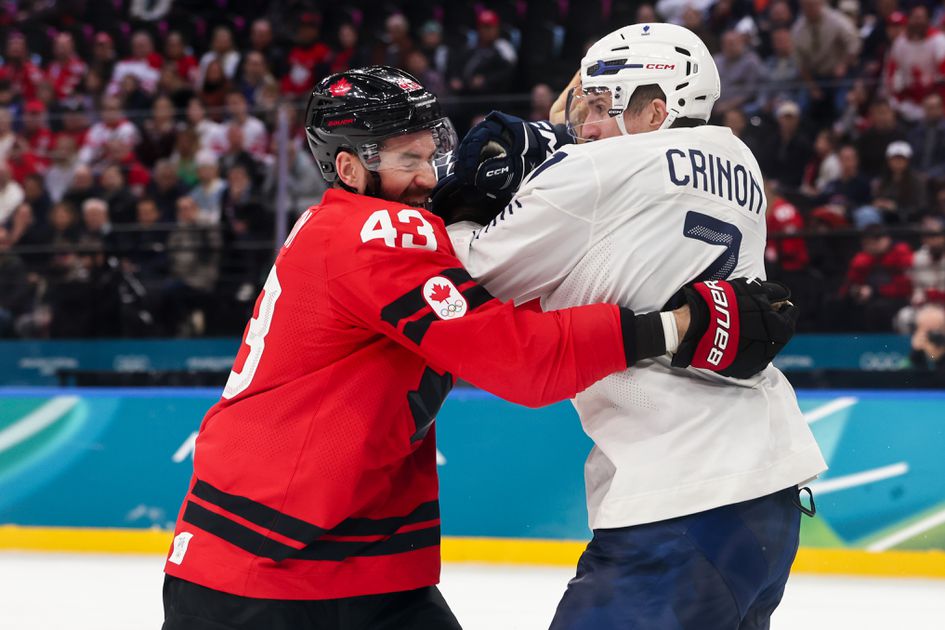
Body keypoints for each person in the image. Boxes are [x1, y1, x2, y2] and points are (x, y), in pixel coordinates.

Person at [160, 66, 796, 630]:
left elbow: (508, 299)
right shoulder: (369, 230)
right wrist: (679, 325)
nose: (428, 177)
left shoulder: (374, 229)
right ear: (350, 168)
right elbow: (519, 357)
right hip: (263, 567)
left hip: (356, 559)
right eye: (406, 161)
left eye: (428, 155)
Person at [437, 24, 826, 629]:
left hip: (679, 496)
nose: (585, 123)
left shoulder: (592, 173)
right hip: (767, 491)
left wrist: (464, 200)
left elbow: (464, 275)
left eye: (599, 105)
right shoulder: (739, 159)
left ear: (656, 109)